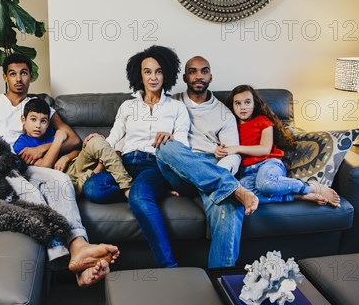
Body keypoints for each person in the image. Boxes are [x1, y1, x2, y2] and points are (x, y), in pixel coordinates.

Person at [0, 53, 119, 287]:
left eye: (24, 73)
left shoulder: (39, 105)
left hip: (27, 165)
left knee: (61, 182)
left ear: (31, 76)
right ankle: (63, 255)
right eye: (12, 74)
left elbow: (73, 139)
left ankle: (79, 246)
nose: (18, 79)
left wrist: (41, 149)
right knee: (32, 194)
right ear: (5, 76)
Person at [82, 45, 191, 268]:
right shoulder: (127, 106)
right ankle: (137, 191)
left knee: (140, 198)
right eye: (147, 71)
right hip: (125, 165)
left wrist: (169, 138)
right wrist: (98, 142)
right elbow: (113, 139)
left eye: (159, 71)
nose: (153, 77)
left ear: (167, 74)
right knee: (93, 187)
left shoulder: (177, 108)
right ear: (138, 75)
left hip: (156, 164)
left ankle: (169, 267)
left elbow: (183, 146)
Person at [154, 56, 259, 268]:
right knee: (165, 145)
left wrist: (217, 172)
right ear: (185, 77)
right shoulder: (170, 103)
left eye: (204, 71)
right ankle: (231, 187)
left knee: (230, 207)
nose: (199, 75)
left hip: (212, 168)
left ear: (211, 76)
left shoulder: (224, 113)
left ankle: (220, 283)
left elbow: (232, 153)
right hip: (179, 169)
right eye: (193, 71)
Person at [219, 84, 341, 206]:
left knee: (267, 185)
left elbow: (265, 149)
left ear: (254, 104)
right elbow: (224, 145)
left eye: (247, 102)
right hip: (246, 172)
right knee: (242, 196)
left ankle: (311, 187)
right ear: (232, 105)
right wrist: (220, 150)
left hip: (268, 164)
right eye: (238, 103)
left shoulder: (263, 121)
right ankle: (298, 196)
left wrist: (236, 148)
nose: (243, 107)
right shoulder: (230, 125)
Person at [12, 98, 132, 201]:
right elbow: (44, 167)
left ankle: (127, 186)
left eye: (43, 121)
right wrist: (58, 140)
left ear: (48, 123)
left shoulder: (50, 133)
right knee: (64, 192)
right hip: (62, 179)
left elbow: (77, 150)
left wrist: (66, 157)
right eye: (33, 119)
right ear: (23, 119)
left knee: (95, 141)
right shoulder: (21, 145)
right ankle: (97, 171)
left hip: (75, 165)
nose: (38, 125)